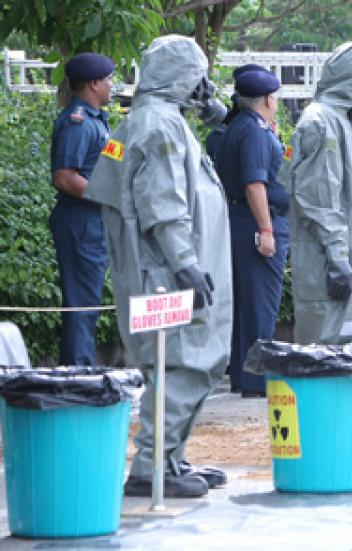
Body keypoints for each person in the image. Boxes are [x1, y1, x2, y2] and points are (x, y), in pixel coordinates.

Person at [86, 35, 232, 498]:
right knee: (182, 363)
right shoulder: (158, 126)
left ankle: (170, 457)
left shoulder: (153, 119)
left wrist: (211, 114)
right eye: (198, 76)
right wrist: (185, 262)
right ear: (180, 76)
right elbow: (161, 202)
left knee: (176, 364)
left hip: (160, 265)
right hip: (165, 269)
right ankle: (151, 466)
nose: (204, 86)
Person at [280, 41, 352, 345]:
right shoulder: (321, 122)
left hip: (349, 256)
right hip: (330, 259)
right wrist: (338, 255)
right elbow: (318, 199)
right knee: (324, 347)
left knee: (348, 346)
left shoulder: (341, 121)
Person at [215, 67, 289, 398]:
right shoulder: (255, 132)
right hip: (255, 221)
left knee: (247, 304)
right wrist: (266, 229)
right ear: (269, 99)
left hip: (241, 219)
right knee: (261, 304)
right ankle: (257, 379)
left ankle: (246, 376)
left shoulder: (240, 126)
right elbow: (255, 184)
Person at [49, 53, 114, 366]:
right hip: (80, 221)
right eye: (108, 79)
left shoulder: (95, 119)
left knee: (87, 301)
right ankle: (78, 374)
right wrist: (106, 196)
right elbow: (64, 176)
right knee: (81, 303)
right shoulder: (79, 122)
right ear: (93, 84)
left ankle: (79, 370)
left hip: (91, 220)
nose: (112, 85)